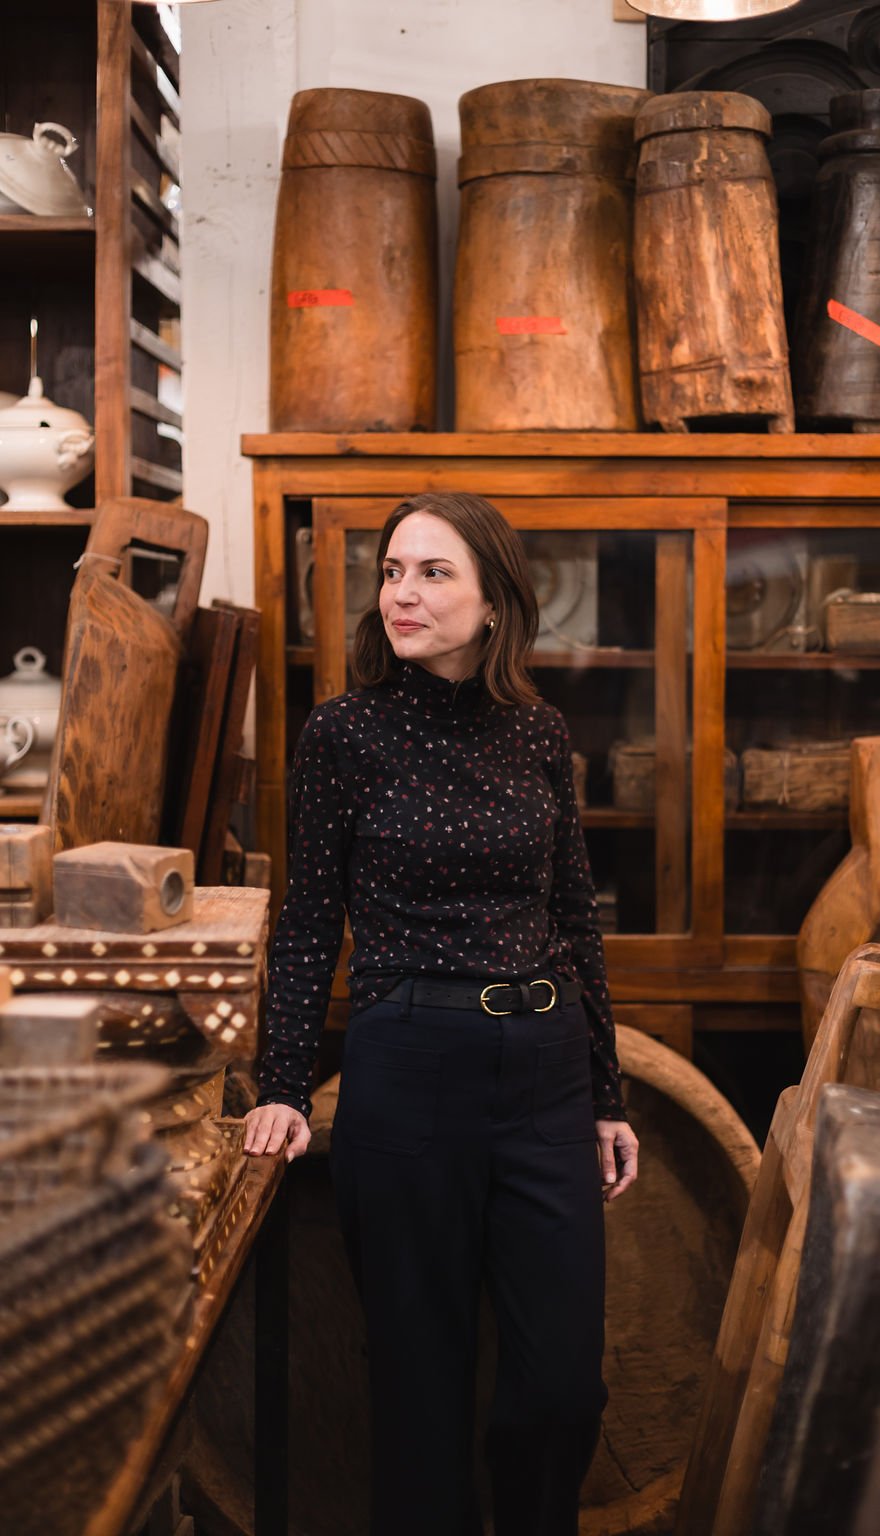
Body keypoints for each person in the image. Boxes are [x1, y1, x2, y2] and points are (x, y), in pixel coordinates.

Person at [244, 491, 640, 1536]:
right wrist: (281, 1083)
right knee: (420, 1396)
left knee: (560, 1390)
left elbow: (572, 920)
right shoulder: (344, 734)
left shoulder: (539, 733)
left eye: (432, 573)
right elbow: (306, 919)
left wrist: (605, 1094)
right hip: (409, 1065)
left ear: (495, 604)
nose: (401, 595)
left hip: (545, 1073)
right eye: (391, 572)